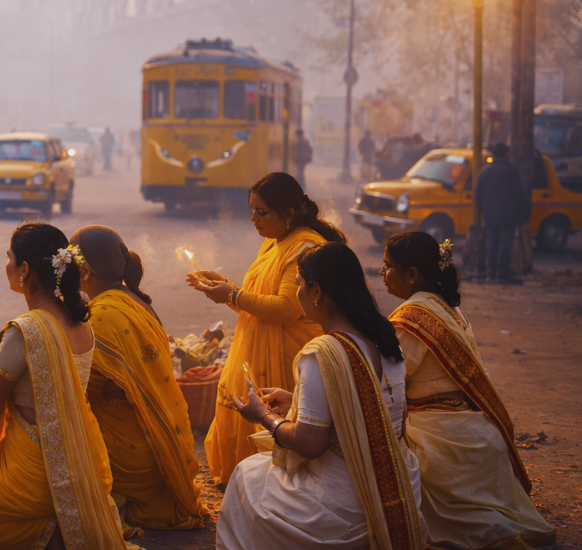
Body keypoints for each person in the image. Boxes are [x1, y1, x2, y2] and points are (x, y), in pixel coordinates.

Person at [0, 223, 131, 550]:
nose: (6, 264)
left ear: (26, 268)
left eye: (9, 257)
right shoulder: (82, 322)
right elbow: (38, 381)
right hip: (83, 462)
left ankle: (46, 529)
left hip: (35, 472)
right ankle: (53, 528)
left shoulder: (26, 329)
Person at [216, 242, 425, 550]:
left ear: (316, 292)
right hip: (395, 482)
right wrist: (296, 398)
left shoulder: (321, 354)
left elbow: (310, 445)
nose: (297, 294)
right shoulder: (386, 337)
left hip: (343, 500)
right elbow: (377, 405)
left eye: (299, 285)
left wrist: (263, 416)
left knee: (248, 474)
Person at [382, 232, 556, 549]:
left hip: (437, 438)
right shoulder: (447, 308)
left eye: (388, 266)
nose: (382, 274)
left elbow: (387, 386)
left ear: (411, 274)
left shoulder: (409, 319)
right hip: (478, 432)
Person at [186, 172, 344, 485]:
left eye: (262, 213)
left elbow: (287, 309)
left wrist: (231, 294)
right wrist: (225, 288)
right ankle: (251, 483)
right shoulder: (276, 242)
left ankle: (274, 488)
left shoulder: (306, 248)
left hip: (288, 351)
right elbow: (258, 301)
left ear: (288, 213)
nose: (253, 219)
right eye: (252, 211)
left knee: (281, 425)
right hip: (262, 342)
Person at [72, 225, 205, 530]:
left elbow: (79, 396)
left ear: (86, 271)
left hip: (132, 459)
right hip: (161, 443)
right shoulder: (136, 301)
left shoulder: (102, 316)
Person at [475, 143, 529, 284]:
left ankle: (491, 273)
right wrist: (524, 212)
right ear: (506, 154)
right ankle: (502, 274)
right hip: (509, 216)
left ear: (493, 154)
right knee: (505, 245)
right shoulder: (512, 171)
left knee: (492, 242)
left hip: (490, 215)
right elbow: (519, 195)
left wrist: (483, 211)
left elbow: (478, 196)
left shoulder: (484, 172)